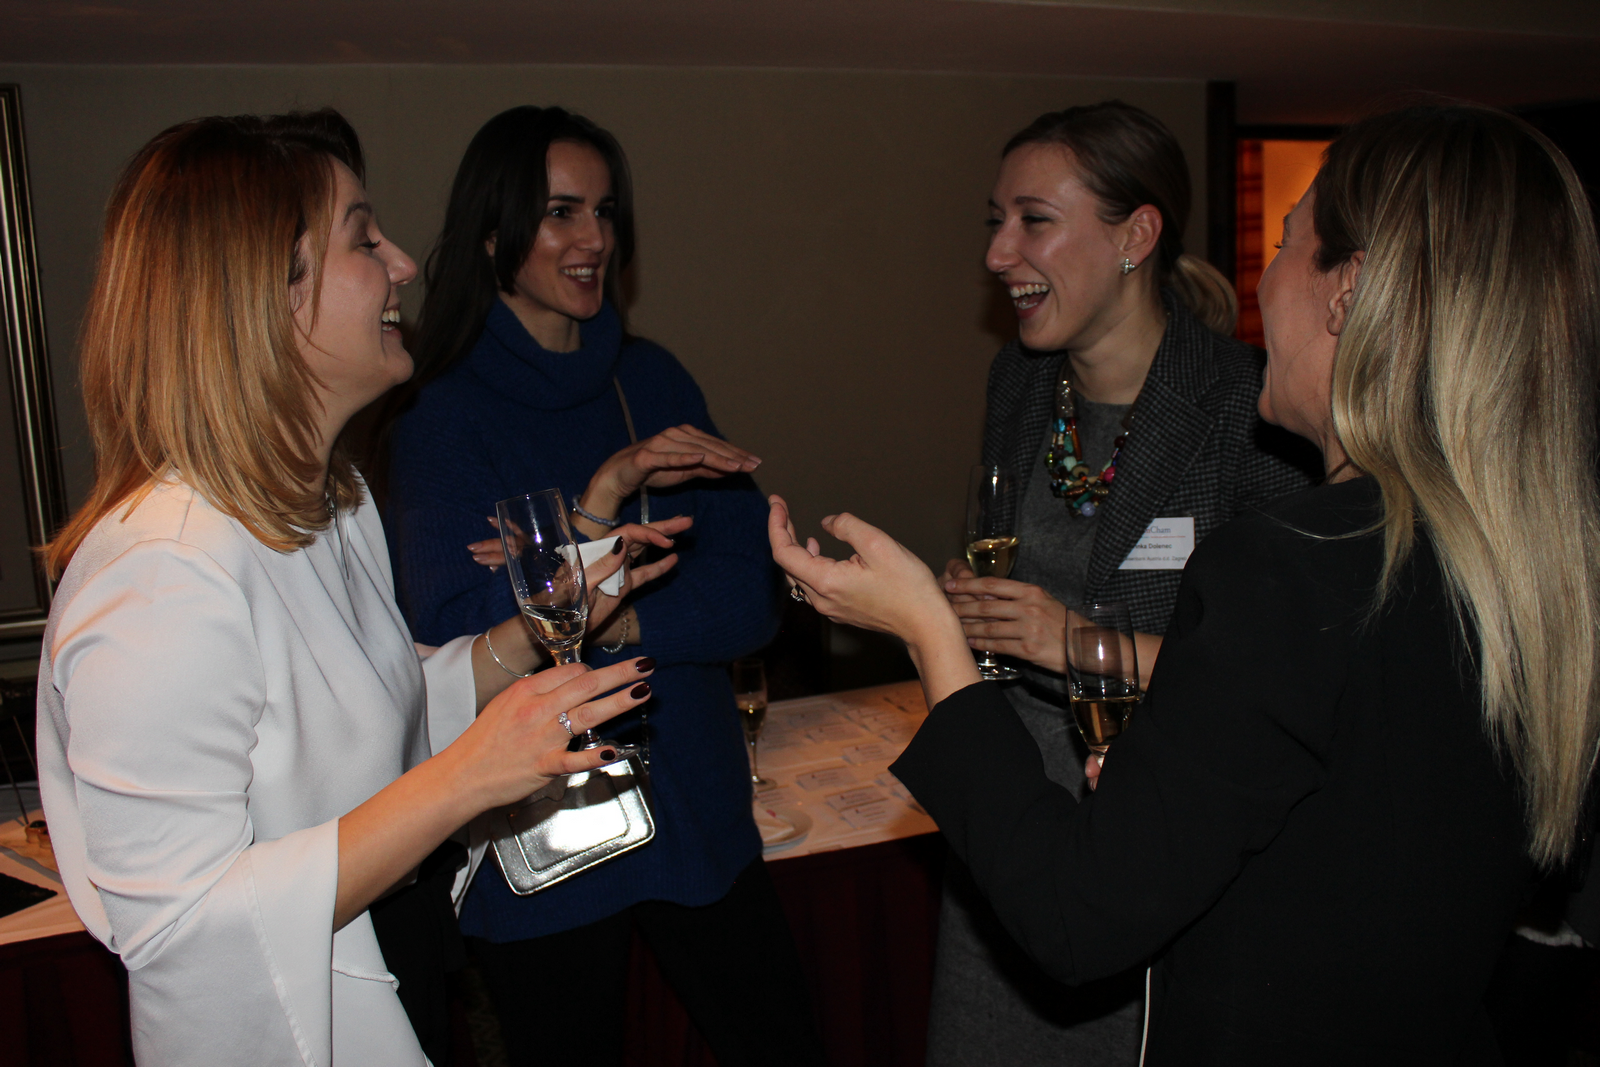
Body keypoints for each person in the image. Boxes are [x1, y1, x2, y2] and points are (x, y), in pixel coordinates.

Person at [770, 101, 1600, 1063]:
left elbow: (1078, 915)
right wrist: (1181, 775)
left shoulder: (1293, 561)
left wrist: (927, 627)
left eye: (1284, 245)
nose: (1260, 279)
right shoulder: (1521, 559)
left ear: (1347, 293)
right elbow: (1356, 828)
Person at [34, 110, 680, 1067]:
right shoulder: (158, 576)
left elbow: (364, 706)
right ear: (268, 291)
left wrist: (523, 640)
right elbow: (179, 929)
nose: (404, 265)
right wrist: (467, 778)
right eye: (364, 239)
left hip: (393, 965)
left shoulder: (331, 507)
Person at [383, 106, 824, 1067]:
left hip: (696, 800)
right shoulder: (439, 413)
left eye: (606, 211)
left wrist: (590, 611)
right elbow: (453, 642)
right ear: (493, 234)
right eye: (561, 212)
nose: (593, 239)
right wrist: (605, 510)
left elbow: (753, 596)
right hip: (545, 820)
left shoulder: (652, 380)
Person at [931, 100, 1317, 1065]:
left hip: (1148, 833)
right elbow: (1022, 559)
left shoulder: (1250, 406)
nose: (998, 254)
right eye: (996, 222)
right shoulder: (1019, 382)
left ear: (1136, 235)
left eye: (1034, 220)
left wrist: (1066, 638)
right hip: (1006, 808)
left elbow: (1278, 677)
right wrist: (974, 606)